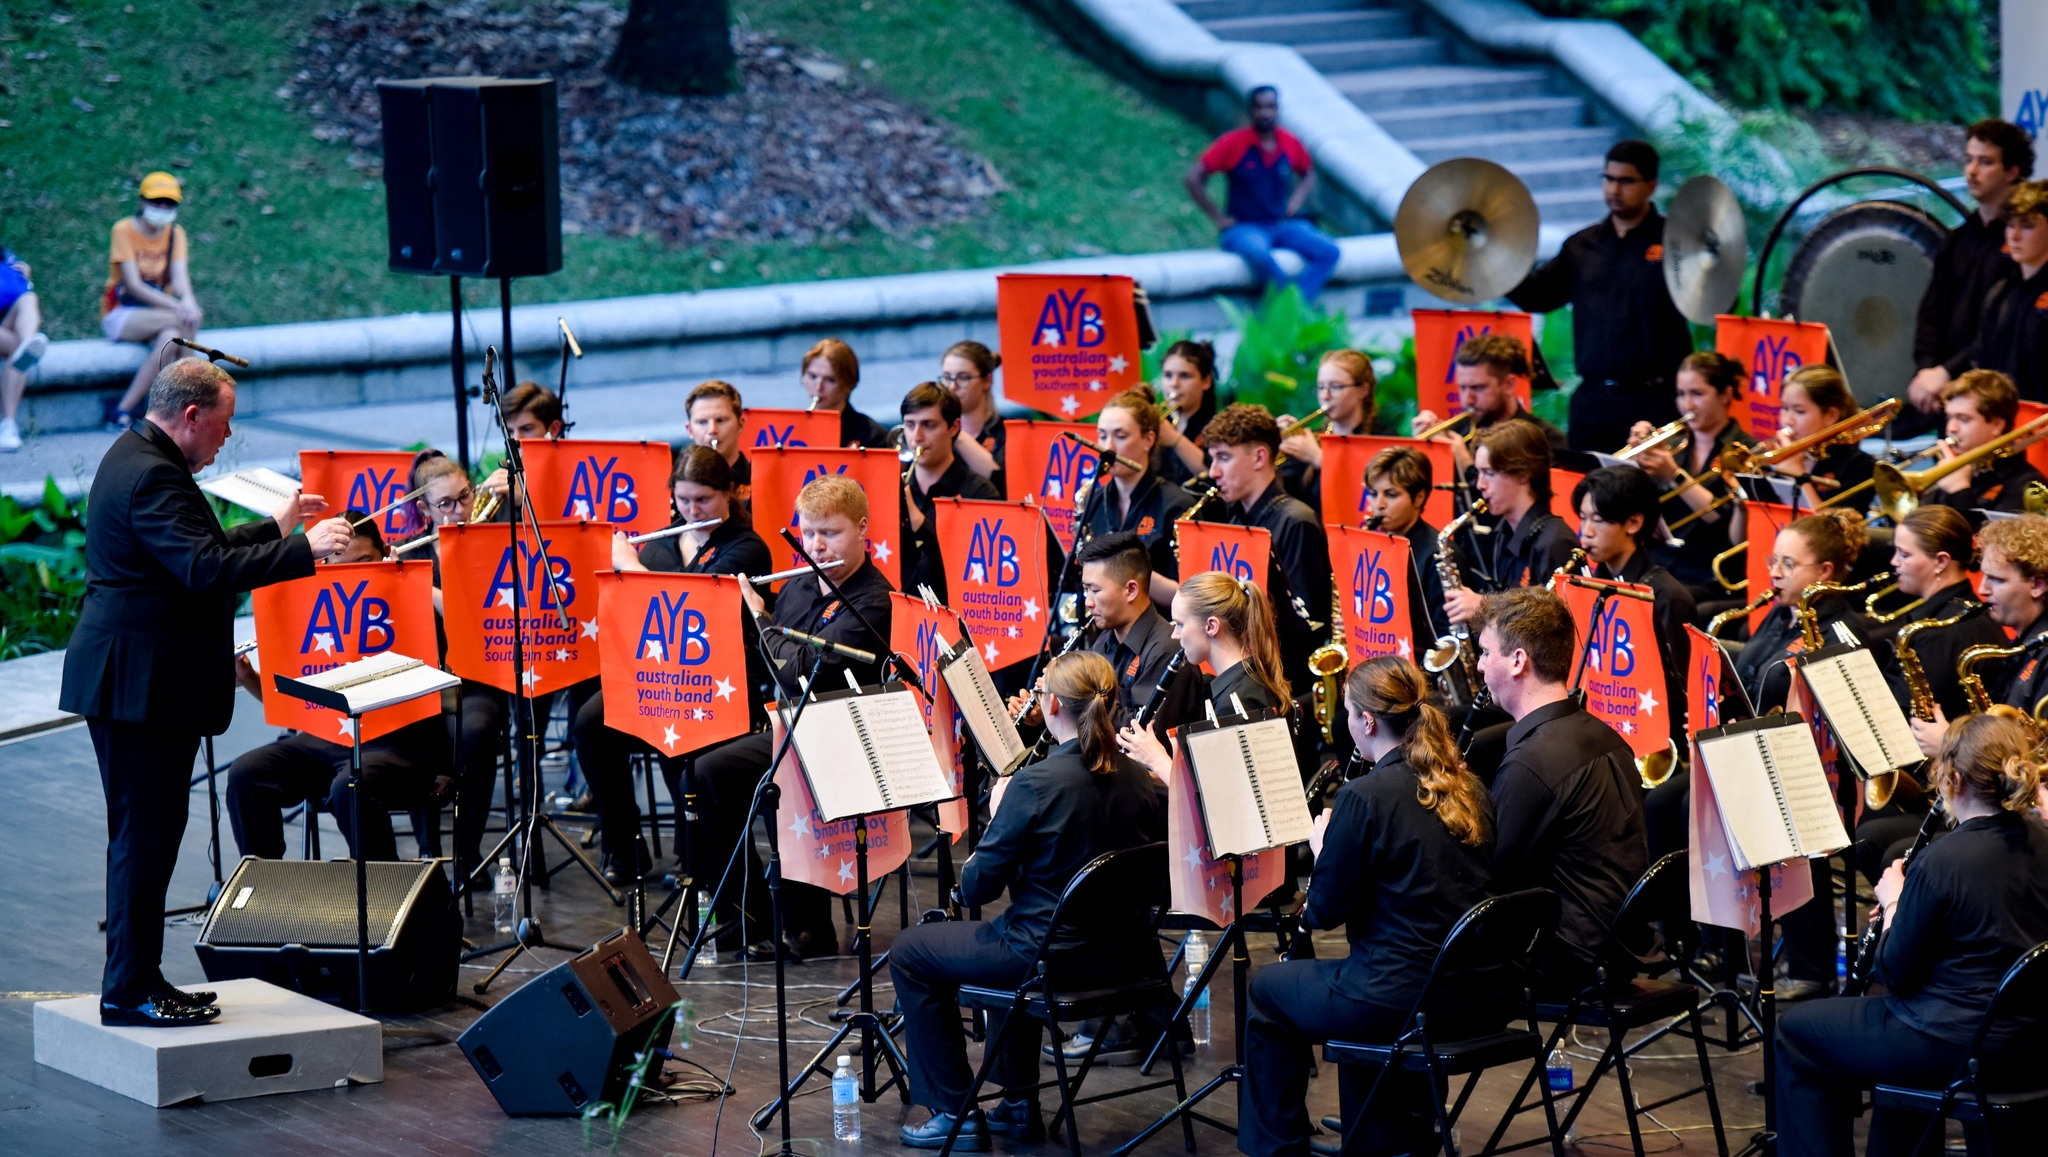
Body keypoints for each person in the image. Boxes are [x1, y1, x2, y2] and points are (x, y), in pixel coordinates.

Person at [59, 360, 355, 1026]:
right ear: (191, 415)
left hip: (139, 679)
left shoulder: (139, 455)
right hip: (138, 684)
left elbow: (196, 548)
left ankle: (138, 978)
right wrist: (304, 549)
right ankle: (129, 989)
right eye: (223, 423)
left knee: (149, 834)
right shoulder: (153, 473)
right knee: (144, 836)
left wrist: (275, 528)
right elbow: (202, 569)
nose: (228, 437)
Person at [890, 651, 1166, 1150]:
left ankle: (954, 1111)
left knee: (912, 951)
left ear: (1053, 705)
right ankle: (1017, 1106)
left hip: (1050, 960)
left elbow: (977, 888)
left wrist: (999, 813)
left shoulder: (1035, 784)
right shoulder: (1139, 778)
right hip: (1127, 958)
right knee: (1009, 936)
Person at [1239, 657, 1499, 1157]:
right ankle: (1385, 1132)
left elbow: (1323, 913)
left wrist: (1322, 850)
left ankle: (1278, 1148)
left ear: (1367, 721)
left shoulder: (1365, 795)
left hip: (1397, 998)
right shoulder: (1468, 787)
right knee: (1357, 973)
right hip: (1473, 993)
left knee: (1268, 990)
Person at [1776, 712, 2048, 1157]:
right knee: (1893, 1041)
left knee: (1796, 1033)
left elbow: (1896, 971)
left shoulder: (1944, 861)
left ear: (1955, 780)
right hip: (2032, 1040)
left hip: (1955, 1043)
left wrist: (1894, 901)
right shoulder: (2041, 839)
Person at [695, 476, 895, 960]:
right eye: (808, 534)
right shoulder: (803, 585)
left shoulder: (873, 600)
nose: (816, 545)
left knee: (751, 776)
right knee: (704, 768)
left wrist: (760, 618)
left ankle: (807, 928)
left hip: (844, 737)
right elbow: (779, 663)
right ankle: (747, 919)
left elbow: (798, 672)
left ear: (863, 528)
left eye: (830, 533)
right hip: (793, 727)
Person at [571, 447, 773, 884]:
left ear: (729, 495)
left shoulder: (747, 547)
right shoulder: (662, 543)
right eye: (683, 500)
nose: (692, 510)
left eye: (703, 500)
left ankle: (697, 857)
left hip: (716, 683)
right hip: (658, 675)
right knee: (589, 723)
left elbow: (689, 606)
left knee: (677, 736)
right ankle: (623, 846)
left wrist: (630, 568)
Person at [225, 517, 454, 863]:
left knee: (351, 787)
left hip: (401, 739)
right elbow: (294, 703)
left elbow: (466, 624)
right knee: (247, 774)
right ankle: (268, 894)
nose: (354, 577)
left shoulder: (417, 601)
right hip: (327, 736)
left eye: (363, 564)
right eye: (340, 568)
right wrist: (248, 677)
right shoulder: (315, 611)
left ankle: (382, 899)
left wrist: (409, 581)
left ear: (384, 554)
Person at [1472, 588, 1646, 995]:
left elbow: (1487, 876)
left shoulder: (1532, 763)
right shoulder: (1607, 736)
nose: (1479, 667)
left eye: (1485, 653)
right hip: (1618, 945)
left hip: (1567, 960)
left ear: (1518, 661)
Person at [1506, 139, 1696, 453]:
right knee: (1587, 493)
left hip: (1656, 399)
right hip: (1593, 402)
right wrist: (1495, 261)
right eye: (1608, 179)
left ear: (1651, 185)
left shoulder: (1676, 242)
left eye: (1626, 181)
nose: (1614, 190)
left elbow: (1712, 301)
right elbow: (1537, 297)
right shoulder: (1581, 246)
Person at [401, 449, 511, 882]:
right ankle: (429, 853)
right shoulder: (411, 558)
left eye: (465, 497)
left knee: (479, 730)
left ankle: (468, 851)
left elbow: (482, 617)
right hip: (425, 684)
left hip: (478, 680)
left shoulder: (491, 548)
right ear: (423, 509)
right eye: (445, 504)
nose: (460, 510)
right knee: (411, 729)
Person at [1902, 119, 2030, 435]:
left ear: (2012, 171)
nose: (1972, 171)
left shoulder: (2025, 244)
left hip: (1999, 399)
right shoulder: (1958, 240)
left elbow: (1998, 330)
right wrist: (1928, 372)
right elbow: (1931, 314)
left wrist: (1946, 373)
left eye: (1985, 162)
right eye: (1968, 159)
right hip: (1949, 396)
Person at [1202, 403, 1332, 693]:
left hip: (1285, 683)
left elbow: (1305, 624)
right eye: (1213, 459)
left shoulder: (1297, 521)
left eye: (1223, 458)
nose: (1213, 472)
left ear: (1260, 456)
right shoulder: (1236, 517)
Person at [1116, 570, 1293, 782]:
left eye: (1180, 624)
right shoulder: (1242, 682)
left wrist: (1156, 758)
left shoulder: (1237, 703)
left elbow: (1221, 797)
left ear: (1211, 626)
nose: (1174, 635)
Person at [1184, 86, 1340, 303]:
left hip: (1281, 224)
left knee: (1329, 251)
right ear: (1250, 111)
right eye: (1258, 107)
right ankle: (1289, 308)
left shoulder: (1289, 142)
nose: (1265, 113)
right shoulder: (1234, 143)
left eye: (1270, 107)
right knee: (1260, 256)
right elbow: (1193, 178)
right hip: (1244, 227)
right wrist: (1218, 217)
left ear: (1277, 109)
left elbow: (1308, 173)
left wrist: (1295, 200)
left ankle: (1296, 307)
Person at [1573, 466, 1695, 737]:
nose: (1586, 532)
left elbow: (1679, 695)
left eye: (1598, 520)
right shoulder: (1590, 583)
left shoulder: (1667, 597)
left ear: (1633, 523)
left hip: (1649, 732)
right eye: (1583, 518)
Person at [1628, 350, 1757, 600]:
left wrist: (1674, 475)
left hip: (1709, 572)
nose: (1687, 405)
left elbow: (1723, 519)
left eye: (1697, 394)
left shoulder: (1745, 450)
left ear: (1726, 394)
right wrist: (1637, 461)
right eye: (1681, 394)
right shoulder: (1674, 445)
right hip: (1661, 561)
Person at [100, 172, 205, 431]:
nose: (162, 208)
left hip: (159, 315)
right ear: (142, 201)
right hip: (122, 314)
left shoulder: (175, 234)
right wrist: (179, 307)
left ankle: (124, 410)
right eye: (156, 202)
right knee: (181, 321)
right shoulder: (123, 230)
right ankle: (189, 400)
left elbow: (181, 279)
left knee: (172, 334)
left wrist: (189, 302)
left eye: (168, 204)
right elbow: (133, 284)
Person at [1444, 420, 1578, 621]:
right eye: (1479, 472)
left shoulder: (1555, 542)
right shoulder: (1504, 531)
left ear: (1523, 474)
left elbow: (1554, 629)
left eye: (1489, 473)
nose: (1480, 485)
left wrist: (1484, 606)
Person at [1082, 388, 1198, 599]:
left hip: (1160, 627)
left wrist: (1119, 572)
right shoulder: (1094, 500)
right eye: (1102, 436)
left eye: (1121, 436)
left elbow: (1191, 598)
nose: (1108, 447)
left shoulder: (1178, 505)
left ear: (1148, 439)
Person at [1411, 334, 1567, 482]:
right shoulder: (1458, 431)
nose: (1468, 399)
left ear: (1509, 385)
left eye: (1478, 388)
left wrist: (1464, 461)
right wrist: (1423, 452)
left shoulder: (1546, 439)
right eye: (1462, 387)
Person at [899, 381, 1001, 604]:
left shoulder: (980, 493)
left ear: (954, 427)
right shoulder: (896, 483)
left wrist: (919, 523)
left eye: (929, 425)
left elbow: (979, 570)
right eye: (909, 424)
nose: (916, 436)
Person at [1955, 179, 2048, 402]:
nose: (2014, 236)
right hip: (2007, 423)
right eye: (2010, 225)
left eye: (2027, 225)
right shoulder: (1999, 293)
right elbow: (1982, 365)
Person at [1747, 365, 1876, 514]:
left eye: (1799, 411)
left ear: (1830, 416)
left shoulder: (1858, 465)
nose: (1788, 420)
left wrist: (1796, 474)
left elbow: (1835, 531)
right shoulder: (1777, 463)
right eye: (1784, 408)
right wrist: (1741, 503)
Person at [1922, 369, 2046, 520]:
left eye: (1963, 419)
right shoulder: (1957, 471)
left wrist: (1959, 491)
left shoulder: (2028, 486)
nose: (1951, 428)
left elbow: (1987, 541)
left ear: (1996, 425)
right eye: (1949, 417)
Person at [1364, 446, 1451, 662]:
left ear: (1419, 498)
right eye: (1373, 494)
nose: (1379, 505)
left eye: (1391, 494)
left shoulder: (1438, 554)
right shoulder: (1376, 542)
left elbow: (1445, 638)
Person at [1275, 348, 1377, 509]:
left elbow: (1368, 492)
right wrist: (1273, 444)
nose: (1325, 396)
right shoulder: (1316, 439)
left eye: (1335, 387)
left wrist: (1317, 458)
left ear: (1363, 390)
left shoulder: (1381, 437)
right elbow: (1286, 496)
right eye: (1321, 387)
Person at [477, 381, 566, 514]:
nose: (516, 439)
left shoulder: (572, 476)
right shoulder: (508, 479)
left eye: (527, 429)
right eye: (510, 431)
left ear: (554, 429)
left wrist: (524, 500)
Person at [801, 337, 893, 449]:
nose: (818, 387)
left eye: (830, 380)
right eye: (813, 376)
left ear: (849, 384)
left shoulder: (873, 436)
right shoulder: (793, 431)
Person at [1151, 339, 1221, 488]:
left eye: (1184, 376)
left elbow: (1216, 476)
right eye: (1168, 375)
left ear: (1206, 382)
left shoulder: (1219, 426)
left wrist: (1174, 439)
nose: (1174, 384)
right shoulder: (1160, 422)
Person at [938, 340, 1006, 492]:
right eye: (947, 377)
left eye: (963, 378)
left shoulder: (1006, 433)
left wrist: (956, 433)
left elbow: (1001, 484)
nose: (952, 386)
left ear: (987, 381)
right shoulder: (937, 432)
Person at [0, 245, 47, 452]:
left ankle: (28, 342)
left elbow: (19, 287)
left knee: (29, 298)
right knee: (20, 349)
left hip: (5, 324)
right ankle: (8, 425)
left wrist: (23, 274)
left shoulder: (5, 254)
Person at [681, 379, 754, 506]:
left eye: (720, 420)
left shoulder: (762, 485)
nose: (712, 430)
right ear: (690, 430)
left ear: (740, 425)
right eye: (702, 422)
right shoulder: (679, 488)